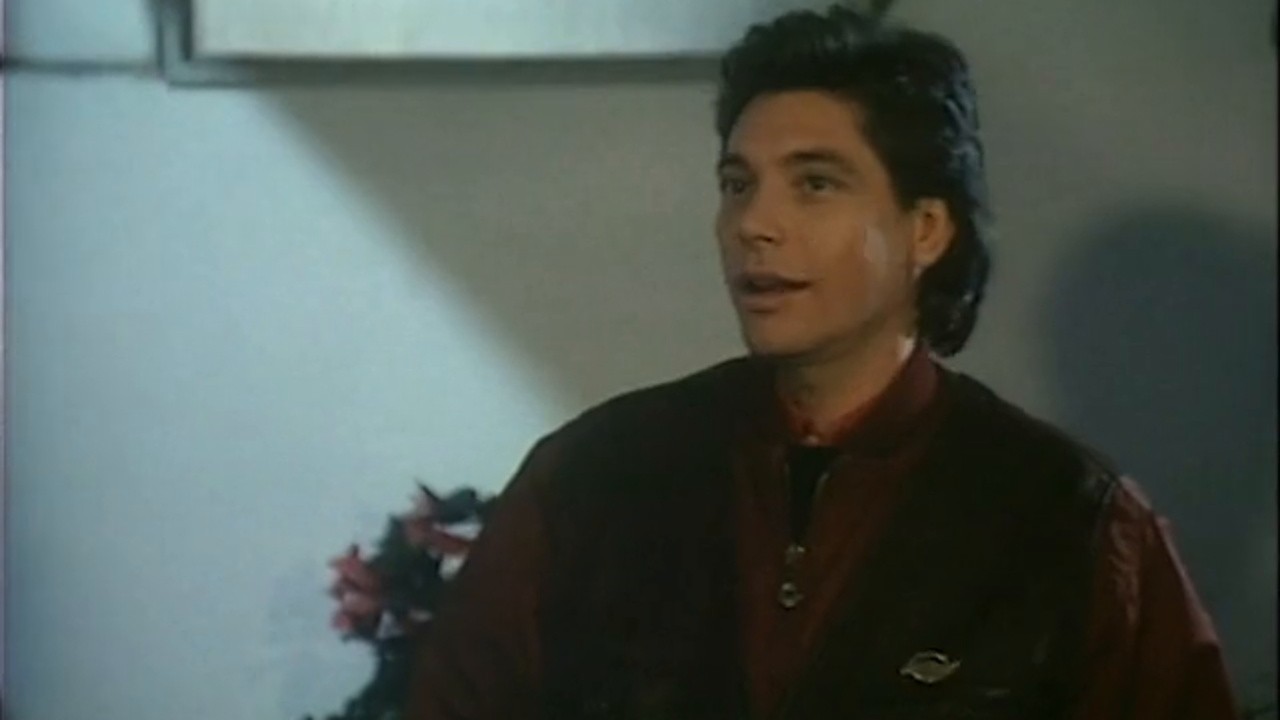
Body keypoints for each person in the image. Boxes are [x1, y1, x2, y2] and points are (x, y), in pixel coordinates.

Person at [404, 6, 1238, 719]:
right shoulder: (591, 478)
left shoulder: (1070, 522)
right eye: (738, 184)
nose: (754, 224)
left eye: (814, 184)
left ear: (926, 229)